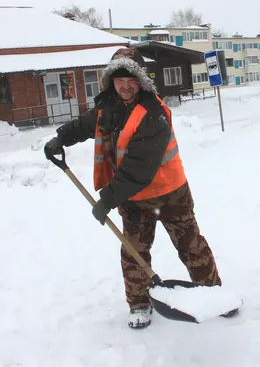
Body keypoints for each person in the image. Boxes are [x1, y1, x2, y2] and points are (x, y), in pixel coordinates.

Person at [44, 47, 232, 329]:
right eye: (118, 79)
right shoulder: (109, 107)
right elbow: (85, 124)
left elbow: (138, 168)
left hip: (170, 194)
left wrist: (107, 199)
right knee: (133, 251)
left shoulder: (154, 113)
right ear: (110, 81)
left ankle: (215, 295)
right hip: (133, 200)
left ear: (141, 79)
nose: (124, 85)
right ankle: (140, 305)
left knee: (191, 247)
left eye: (130, 77)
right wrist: (60, 138)